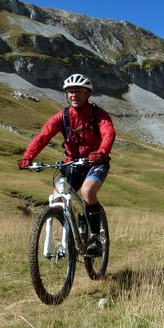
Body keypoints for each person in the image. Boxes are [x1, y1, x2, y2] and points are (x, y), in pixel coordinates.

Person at [17, 73, 115, 256]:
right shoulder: (62, 116)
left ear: (87, 94)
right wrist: (27, 156)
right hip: (72, 164)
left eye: (78, 91)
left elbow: (108, 133)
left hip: (96, 163)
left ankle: (95, 238)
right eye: (70, 92)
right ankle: (69, 235)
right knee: (56, 199)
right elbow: (43, 137)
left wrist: (101, 153)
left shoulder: (98, 115)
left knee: (87, 192)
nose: (73, 95)